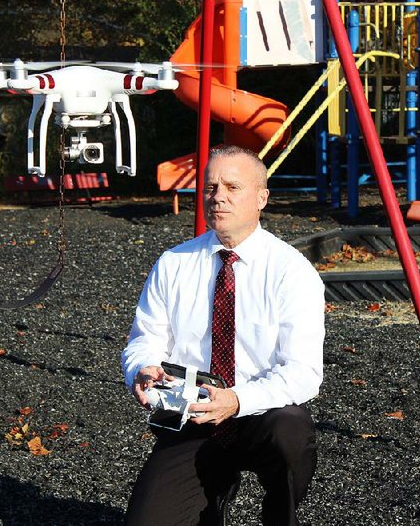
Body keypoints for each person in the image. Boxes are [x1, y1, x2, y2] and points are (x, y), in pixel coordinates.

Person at [121, 145, 325, 526]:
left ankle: (280, 516)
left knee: (290, 431)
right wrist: (143, 370)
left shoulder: (290, 271)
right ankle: (212, 496)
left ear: (261, 197)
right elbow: (144, 338)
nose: (219, 197)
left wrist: (236, 400)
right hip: (191, 414)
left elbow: (303, 372)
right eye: (211, 187)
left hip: (259, 412)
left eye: (232, 187)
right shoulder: (174, 263)